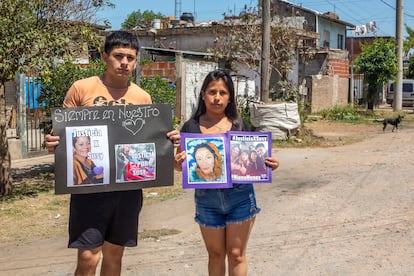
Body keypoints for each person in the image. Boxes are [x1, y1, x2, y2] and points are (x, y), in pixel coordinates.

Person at [45, 30, 180, 276]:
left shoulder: (142, 97)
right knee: (88, 256)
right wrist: (53, 142)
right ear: (106, 57)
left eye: (131, 57)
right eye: (119, 56)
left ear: (136, 61)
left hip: (127, 190)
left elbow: (150, 144)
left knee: (115, 254)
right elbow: (61, 137)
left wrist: (170, 140)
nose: (124, 62)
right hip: (89, 187)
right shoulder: (81, 88)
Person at [174, 69, 279, 276]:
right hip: (207, 200)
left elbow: (254, 161)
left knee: (237, 253)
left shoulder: (239, 125)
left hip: (240, 196)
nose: (217, 98)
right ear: (203, 94)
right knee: (215, 254)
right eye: (212, 92)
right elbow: (181, 166)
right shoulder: (190, 127)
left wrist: (268, 164)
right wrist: (177, 163)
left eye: (223, 93)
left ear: (230, 98)